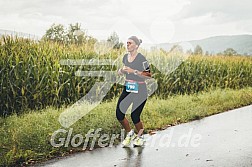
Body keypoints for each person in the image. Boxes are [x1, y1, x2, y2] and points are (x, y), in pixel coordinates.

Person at [116, 36, 152, 147]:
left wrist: (133, 71)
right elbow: (120, 71)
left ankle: (140, 137)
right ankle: (130, 134)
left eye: (130, 43)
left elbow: (148, 75)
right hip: (128, 88)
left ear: (136, 45)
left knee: (135, 115)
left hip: (140, 90)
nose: (127, 45)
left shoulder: (142, 59)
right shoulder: (125, 57)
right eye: (127, 43)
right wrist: (121, 71)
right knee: (119, 113)